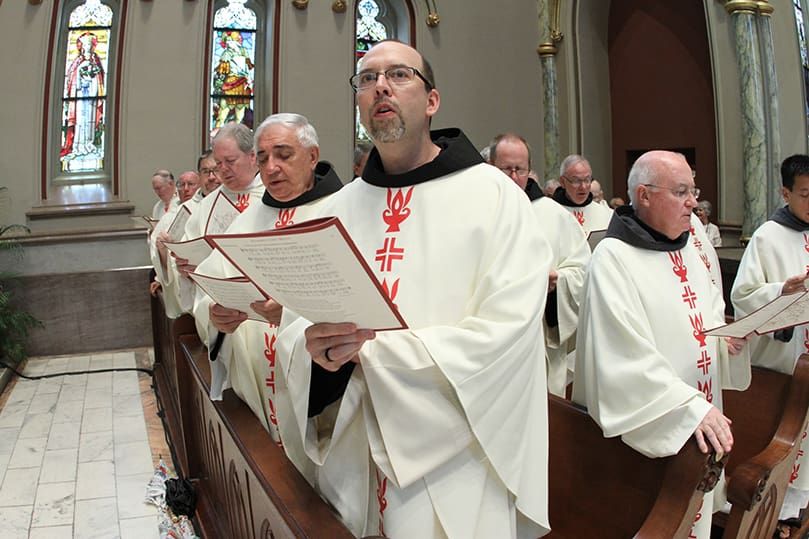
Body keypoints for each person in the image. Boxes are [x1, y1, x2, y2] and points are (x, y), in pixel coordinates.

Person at [277, 40, 552, 538]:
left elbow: (509, 333)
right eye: (366, 78)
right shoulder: (336, 211)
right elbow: (296, 325)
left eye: (399, 75)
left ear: (432, 101)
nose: (380, 85)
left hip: (460, 468)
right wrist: (313, 351)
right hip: (354, 460)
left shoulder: (494, 198)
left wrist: (376, 354)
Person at [572, 150, 749, 539]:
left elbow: (708, 309)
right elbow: (622, 355)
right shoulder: (613, 258)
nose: (693, 202)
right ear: (645, 195)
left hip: (700, 423)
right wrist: (687, 408)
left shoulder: (688, 245)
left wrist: (724, 336)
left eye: (694, 190)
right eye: (681, 191)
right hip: (659, 431)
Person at [192, 113, 343, 483]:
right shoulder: (250, 218)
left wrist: (290, 314)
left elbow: (353, 302)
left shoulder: (341, 211)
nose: (271, 167)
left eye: (283, 155)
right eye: (263, 158)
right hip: (256, 389)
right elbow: (208, 284)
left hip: (316, 392)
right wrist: (214, 314)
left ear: (312, 155)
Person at [731, 154, 809, 529]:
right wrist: (781, 291)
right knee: (785, 442)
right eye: (807, 194)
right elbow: (742, 296)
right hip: (783, 365)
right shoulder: (767, 236)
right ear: (786, 192)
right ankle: (778, 517)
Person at [490, 132, 589, 396]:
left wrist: (559, 280)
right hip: (490, 344)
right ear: (489, 169)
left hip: (539, 338)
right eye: (505, 169)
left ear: (529, 171)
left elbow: (583, 272)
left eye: (519, 169)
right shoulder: (476, 212)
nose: (513, 177)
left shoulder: (554, 215)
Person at [165, 123, 265, 316]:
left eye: (230, 161)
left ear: (252, 156)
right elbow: (189, 255)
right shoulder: (207, 205)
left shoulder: (273, 197)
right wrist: (186, 270)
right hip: (222, 312)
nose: (223, 170)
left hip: (264, 314)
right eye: (219, 163)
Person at [149, 171, 200, 299]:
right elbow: (160, 248)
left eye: (191, 184)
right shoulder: (171, 214)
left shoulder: (203, 209)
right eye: (182, 185)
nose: (186, 189)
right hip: (177, 273)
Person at [552, 154, 613, 234]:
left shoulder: (606, 214)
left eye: (587, 180)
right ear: (563, 182)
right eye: (576, 181)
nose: (583, 187)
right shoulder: (550, 212)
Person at [488, 133, 544, 200]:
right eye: (507, 169)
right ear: (490, 167)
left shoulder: (542, 208)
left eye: (519, 169)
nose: (514, 177)